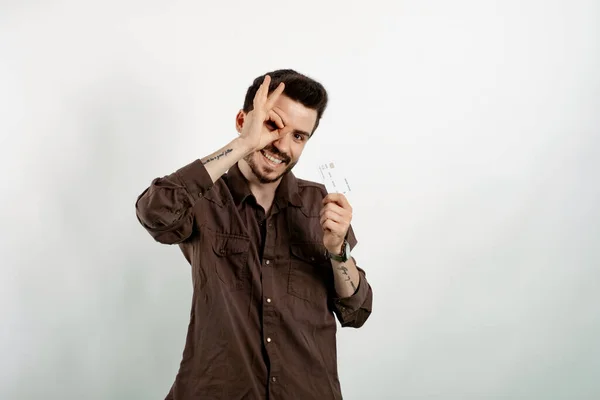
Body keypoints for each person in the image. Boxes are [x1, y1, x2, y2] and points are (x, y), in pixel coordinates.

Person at [135, 69, 373, 400]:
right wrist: (244, 144)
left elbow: (357, 310)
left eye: (299, 136)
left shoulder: (320, 204)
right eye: (271, 125)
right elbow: (155, 212)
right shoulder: (204, 197)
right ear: (242, 120)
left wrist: (337, 250)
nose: (282, 145)